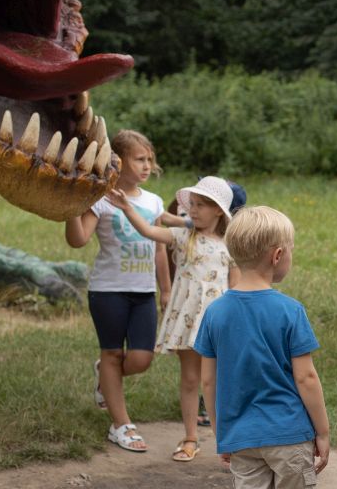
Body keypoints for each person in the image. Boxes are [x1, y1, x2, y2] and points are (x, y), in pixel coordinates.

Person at [195, 205, 331, 487]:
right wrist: (323, 431)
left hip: (241, 438)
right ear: (277, 255)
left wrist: (223, 435)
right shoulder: (290, 311)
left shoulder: (215, 312)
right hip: (289, 435)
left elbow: (208, 381)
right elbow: (306, 378)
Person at [122, 175, 239, 462]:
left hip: (217, 323)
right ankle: (190, 438)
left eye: (200, 205)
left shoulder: (230, 245)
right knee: (190, 379)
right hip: (188, 322)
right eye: (192, 204)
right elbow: (148, 231)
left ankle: (229, 442)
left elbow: (236, 289)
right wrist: (127, 208)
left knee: (219, 382)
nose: (192, 211)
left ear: (218, 210)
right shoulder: (183, 236)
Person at [64, 129, 167, 453]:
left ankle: (104, 377)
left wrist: (165, 289)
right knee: (112, 354)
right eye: (140, 159)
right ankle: (121, 425)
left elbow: (160, 249)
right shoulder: (100, 199)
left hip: (144, 292)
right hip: (108, 290)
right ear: (119, 162)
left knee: (141, 359)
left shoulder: (153, 202)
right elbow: (78, 240)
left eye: (149, 159)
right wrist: (70, 207)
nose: (147, 166)